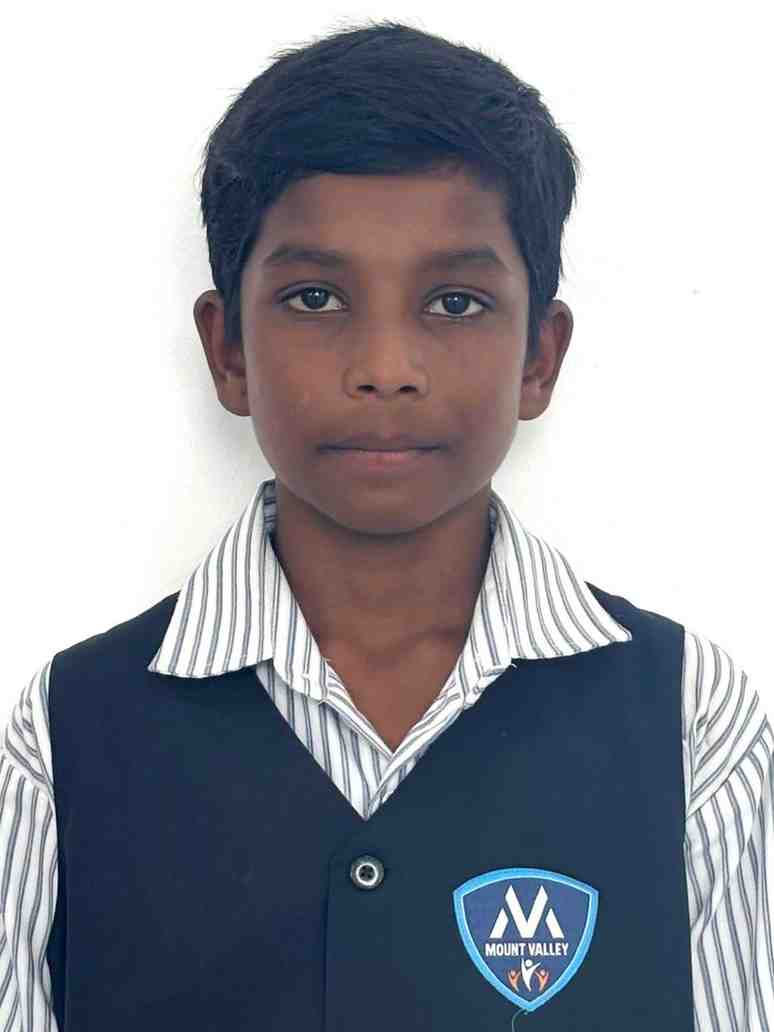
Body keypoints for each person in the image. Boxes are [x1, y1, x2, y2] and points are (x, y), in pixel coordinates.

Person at [1, 18, 772, 1032]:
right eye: (316, 296)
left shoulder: (692, 722)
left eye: (454, 304)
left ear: (539, 359)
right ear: (228, 351)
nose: (385, 367)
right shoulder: (63, 739)